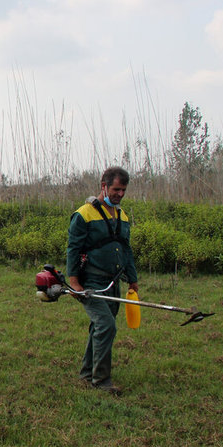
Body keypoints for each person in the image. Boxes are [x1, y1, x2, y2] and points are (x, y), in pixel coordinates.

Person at [66, 166, 139, 395]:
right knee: (107, 325)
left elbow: (126, 251)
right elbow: (73, 250)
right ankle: (101, 381)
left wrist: (133, 280)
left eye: (123, 190)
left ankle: (87, 373)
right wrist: (75, 282)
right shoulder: (84, 214)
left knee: (99, 326)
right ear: (104, 186)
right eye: (116, 189)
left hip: (113, 283)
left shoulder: (122, 215)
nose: (120, 194)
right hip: (91, 282)